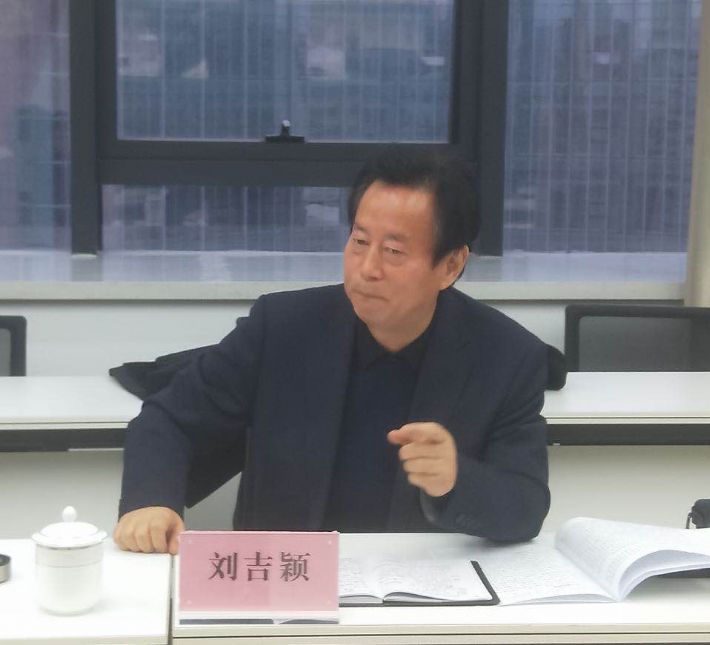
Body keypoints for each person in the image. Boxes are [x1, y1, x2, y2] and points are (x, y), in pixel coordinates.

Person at [114, 146, 550, 555]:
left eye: (393, 251)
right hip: (288, 580)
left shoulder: (508, 358)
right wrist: (151, 502)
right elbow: (169, 420)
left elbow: (526, 506)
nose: (367, 268)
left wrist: (456, 479)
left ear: (451, 265)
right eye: (359, 242)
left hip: (421, 591)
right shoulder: (281, 329)